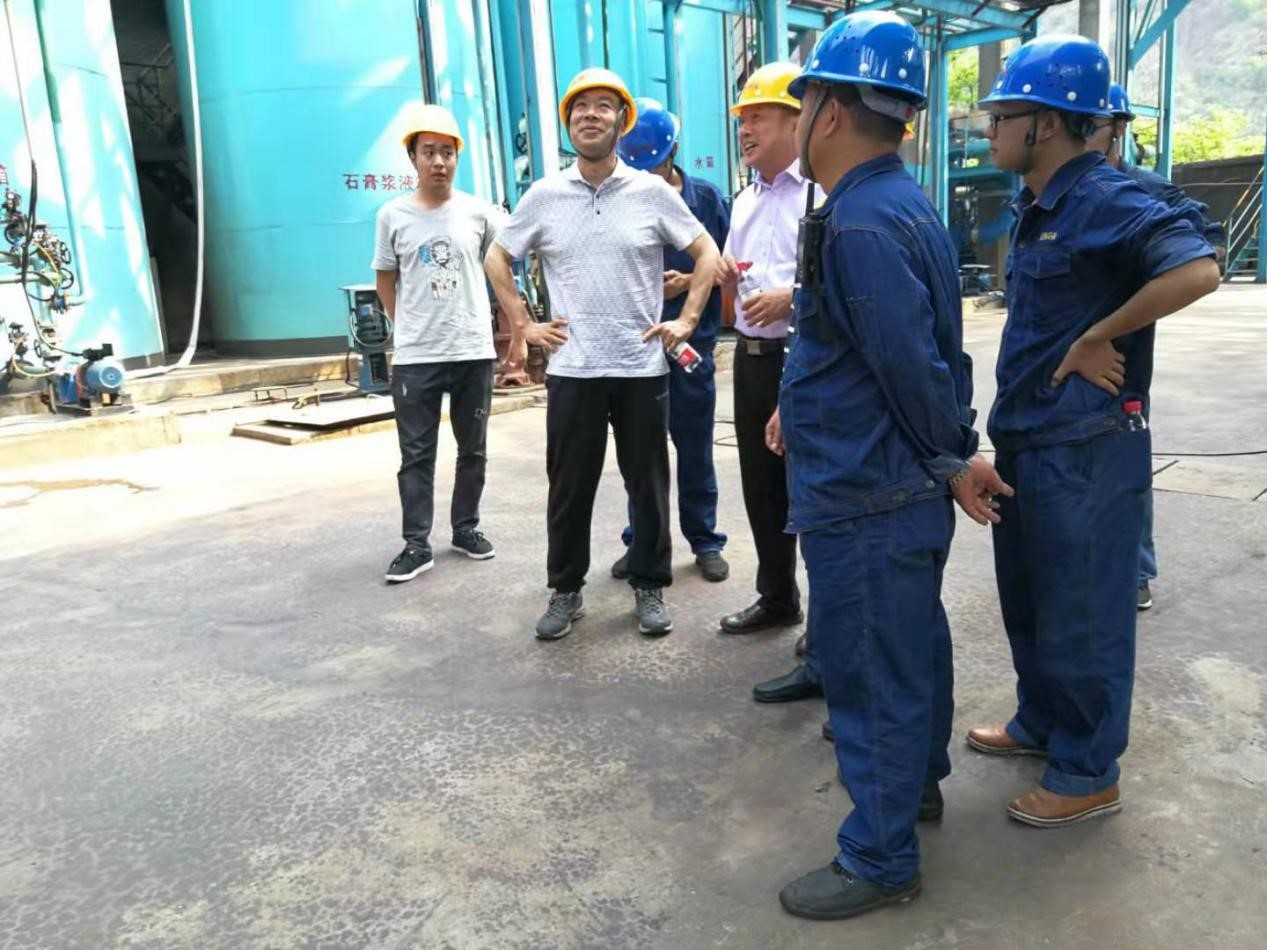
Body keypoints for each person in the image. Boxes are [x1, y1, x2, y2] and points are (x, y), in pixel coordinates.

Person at [770, 12, 1010, 922]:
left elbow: (908, 363)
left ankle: (878, 857)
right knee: (911, 647)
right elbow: (907, 351)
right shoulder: (896, 204)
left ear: (828, 111)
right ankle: (916, 787)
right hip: (885, 482)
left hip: (867, 489)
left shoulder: (860, 224)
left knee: (871, 669)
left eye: (800, 105)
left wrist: (951, 456)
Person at [967, 35, 1220, 827]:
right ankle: (1041, 722)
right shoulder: (1039, 204)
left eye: (1001, 116)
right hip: (1030, 440)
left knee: (1082, 614)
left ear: (1043, 123)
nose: (990, 130)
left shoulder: (1104, 198)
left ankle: (1085, 772)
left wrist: (1098, 334)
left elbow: (1197, 268)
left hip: (1084, 449)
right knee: (1032, 601)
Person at [483, 69, 721, 640]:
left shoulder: (651, 194)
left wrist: (687, 321)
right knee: (569, 488)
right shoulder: (544, 196)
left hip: (641, 368)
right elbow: (496, 256)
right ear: (569, 122)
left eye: (603, 107)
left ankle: (650, 586)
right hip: (574, 369)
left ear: (621, 122)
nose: (590, 115)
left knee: (649, 486)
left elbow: (707, 252)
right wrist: (523, 324)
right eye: (580, 107)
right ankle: (566, 591)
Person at [1086, 82, 1229, 611]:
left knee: (1125, 456)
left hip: (1121, 360)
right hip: (1062, 362)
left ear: (1117, 129)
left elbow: (1205, 256)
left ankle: (1136, 568)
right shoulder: (1045, 195)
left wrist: (1116, 321)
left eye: (1090, 123)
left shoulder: (1144, 193)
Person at [375, 104, 504, 584]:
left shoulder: (479, 213)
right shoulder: (393, 215)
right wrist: (409, 325)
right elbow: (385, 280)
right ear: (413, 157)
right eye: (429, 152)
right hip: (417, 358)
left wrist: (514, 329)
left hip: (473, 351)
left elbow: (500, 268)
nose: (438, 162)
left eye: (447, 152)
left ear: (457, 157)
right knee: (416, 455)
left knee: (473, 450)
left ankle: (465, 528)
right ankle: (416, 544)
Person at [716, 62, 821, 638]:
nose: (745, 130)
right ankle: (777, 596)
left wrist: (792, 300)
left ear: (795, 121)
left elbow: (843, 285)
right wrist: (726, 279)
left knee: (814, 485)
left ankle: (827, 617)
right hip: (752, 359)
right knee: (761, 485)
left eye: (758, 117)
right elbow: (732, 295)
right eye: (742, 120)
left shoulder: (823, 192)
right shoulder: (744, 202)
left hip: (804, 358)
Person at [611, 99, 731, 584]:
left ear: (673, 153)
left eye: (655, 167)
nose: (648, 178)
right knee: (641, 457)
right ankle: (640, 542)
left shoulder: (707, 200)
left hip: (690, 351)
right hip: (637, 353)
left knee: (695, 449)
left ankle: (705, 541)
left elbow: (728, 265)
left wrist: (687, 284)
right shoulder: (620, 198)